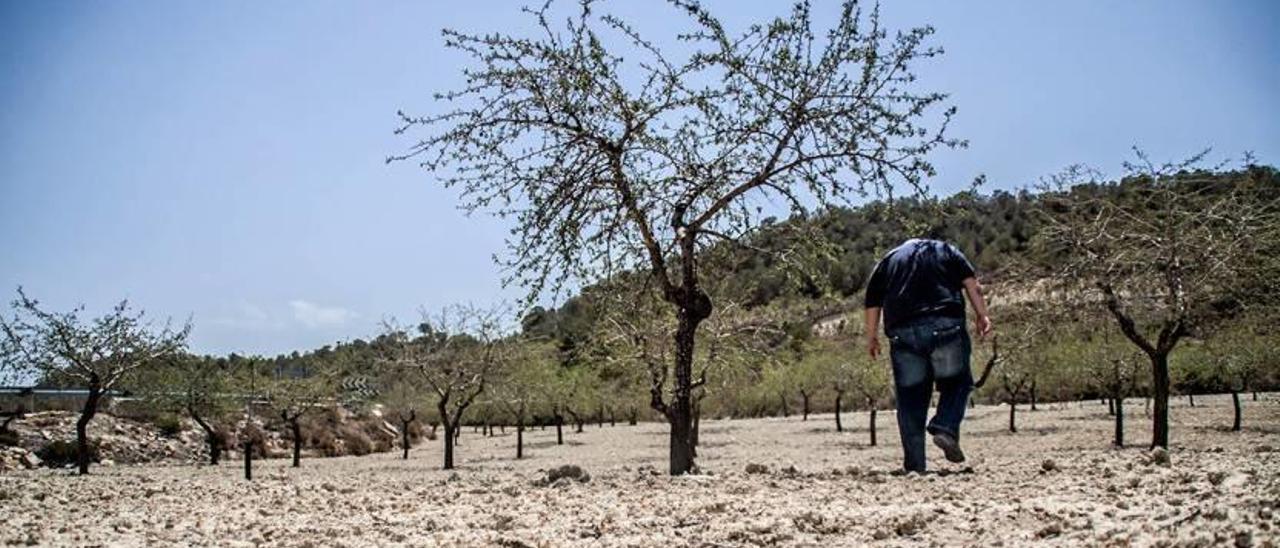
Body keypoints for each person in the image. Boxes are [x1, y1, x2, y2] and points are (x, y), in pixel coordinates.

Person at [863, 238, 992, 473]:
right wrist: (982, 314)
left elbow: (872, 301)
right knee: (958, 382)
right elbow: (971, 283)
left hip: (903, 333)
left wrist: (871, 337)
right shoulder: (945, 250)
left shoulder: (888, 260)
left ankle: (915, 466)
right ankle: (945, 426)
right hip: (945, 325)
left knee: (910, 400)